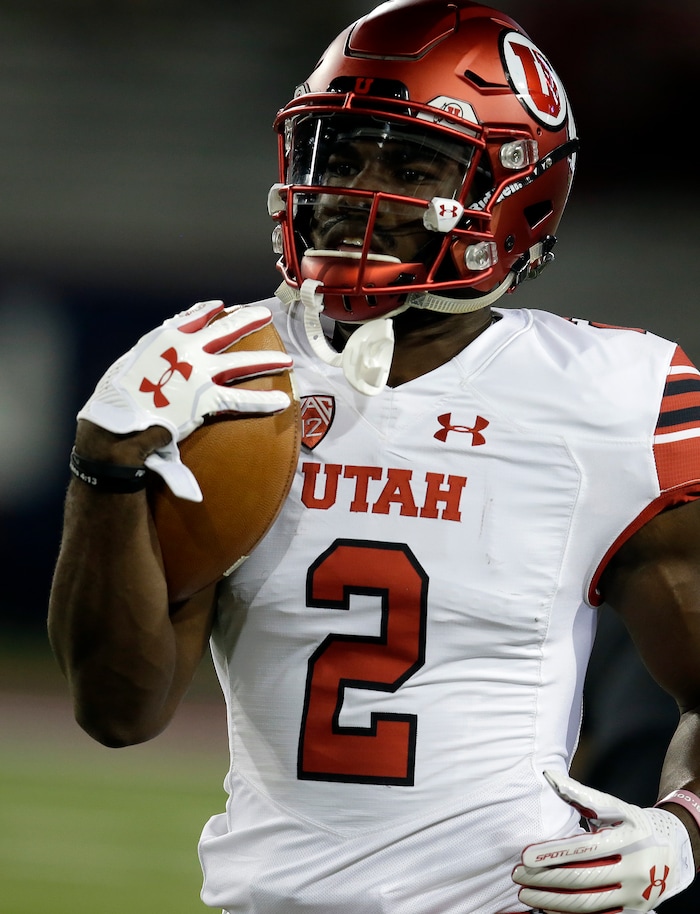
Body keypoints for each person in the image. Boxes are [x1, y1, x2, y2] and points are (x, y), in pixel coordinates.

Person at [47, 1, 700, 912]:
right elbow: (119, 713)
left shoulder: (615, 395)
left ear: (516, 191)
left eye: (413, 163)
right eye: (341, 155)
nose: (359, 191)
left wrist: (686, 826)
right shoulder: (228, 377)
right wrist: (105, 466)